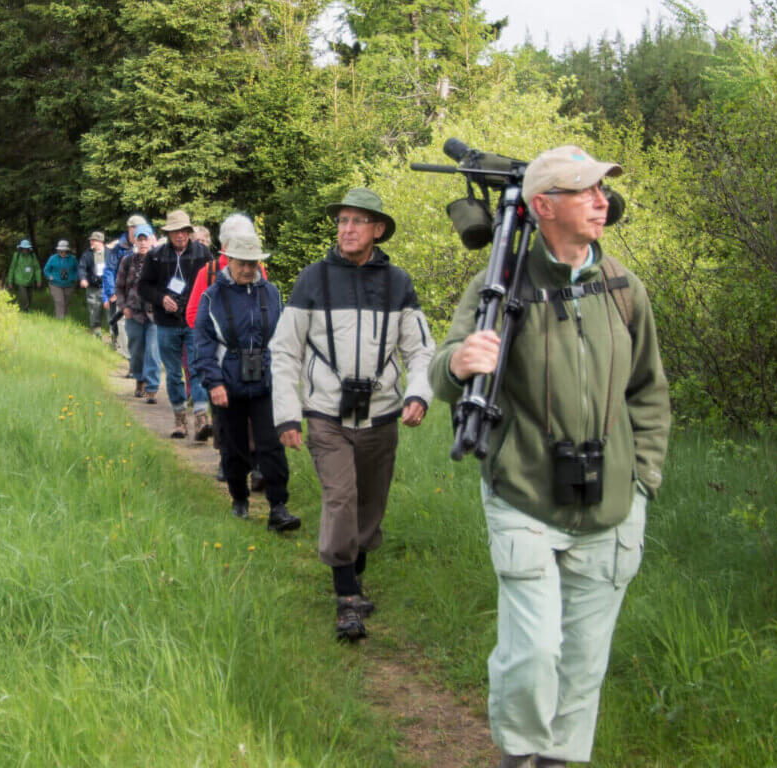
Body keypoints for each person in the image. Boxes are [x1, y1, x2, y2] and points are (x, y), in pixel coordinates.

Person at [427, 145, 671, 768]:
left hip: (612, 505)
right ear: (543, 207)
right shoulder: (499, 287)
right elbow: (441, 370)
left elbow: (648, 389)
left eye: (602, 189)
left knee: (583, 663)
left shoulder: (623, 286)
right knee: (534, 654)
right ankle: (518, 755)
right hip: (524, 496)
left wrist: (644, 479)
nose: (601, 200)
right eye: (585, 189)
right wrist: (458, 363)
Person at [269, 187, 435, 641]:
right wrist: (287, 415)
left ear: (378, 230)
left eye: (357, 221)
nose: (347, 229)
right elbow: (284, 351)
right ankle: (346, 599)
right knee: (340, 498)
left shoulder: (398, 283)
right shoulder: (312, 279)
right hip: (326, 414)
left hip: (382, 416)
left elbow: (420, 350)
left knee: (369, 507)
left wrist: (419, 393)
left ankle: (353, 574)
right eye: (342, 220)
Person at [194, 233, 300, 532]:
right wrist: (213, 383)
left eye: (254, 263)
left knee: (272, 445)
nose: (248, 269)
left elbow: (283, 338)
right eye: (243, 263)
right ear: (229, 261)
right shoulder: (211, 297)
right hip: (227, 385)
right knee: (234, 448)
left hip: (266, 382)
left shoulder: (272, 293)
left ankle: (279, 507)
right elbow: (202, 344)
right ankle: (239, 499)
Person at [186, 213, 268, 487]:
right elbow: (193, 313)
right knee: (224, 407)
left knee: (253, 406)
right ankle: (230, 461)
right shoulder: (208, 272)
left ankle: (255, 466)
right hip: (221, 354)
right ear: (226, 244)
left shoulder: (258, 270)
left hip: (252, 352)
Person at [139, 209, 212, 441]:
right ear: (168, 234)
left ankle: (201, 418)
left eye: (184, 231)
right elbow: (143, 287)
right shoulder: (156, 256)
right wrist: (161, 299)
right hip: (166, 323)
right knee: (173, 373)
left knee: (198, 367)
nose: (180, 235)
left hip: (195, 321)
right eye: (175, 232)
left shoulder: (203, 254)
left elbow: (213, 284)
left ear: (189, 232)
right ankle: (180, 419)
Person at [115, 223, 161, 403]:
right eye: (140, 239)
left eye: (146, 239)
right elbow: (119, 287)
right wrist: (123, 307)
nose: (143, 243)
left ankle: (152, 388)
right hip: (132, 313)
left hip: (154, 314)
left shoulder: (159, 261)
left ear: (152, 240)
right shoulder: (127, 261)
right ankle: (139, 380)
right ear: (135, 241)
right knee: (136, 352)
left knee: (153, 351)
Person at [107, 215, 147, 359]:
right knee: (123, 321)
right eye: (135, 227)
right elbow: (110, 270)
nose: (138, 230)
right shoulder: (119, 248)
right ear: (130, 228)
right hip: (122, 291)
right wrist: (111, 291)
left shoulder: (149, 245)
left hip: (144, 293)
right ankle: (128, 355)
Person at [79, 231, 110, 337]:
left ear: (100, 241)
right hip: (93, 287)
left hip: (108, 287)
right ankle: (96, 331)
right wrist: (83, 279)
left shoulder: (110, 253)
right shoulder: (87, 254)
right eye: (91, 240)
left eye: (93, 240)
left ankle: (113, 333)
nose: (91, 242)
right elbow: (82, 268)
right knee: (94, 309)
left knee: (111, 310)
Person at [43, 240, 79, 319]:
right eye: (60, 251)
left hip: (69, 284)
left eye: (64, 251)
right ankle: (59, 319)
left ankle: (64, 317)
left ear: (67, 250)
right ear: (58, 250)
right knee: (59, 301)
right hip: (55, 284)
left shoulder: (72, 259)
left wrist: (75, 278)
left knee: (66, 302)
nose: (62, 253)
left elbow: (78, 270)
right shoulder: (53, 258)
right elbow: (46, 270)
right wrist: (50, 276)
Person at [6, 239, 42, 311]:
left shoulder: (32, 256)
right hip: (20, 281)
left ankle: (24, 309)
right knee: (24, 297)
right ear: (21, 248)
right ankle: (24, 311)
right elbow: (12, 269)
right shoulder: (16, 256)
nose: (25, 250)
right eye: (23, 248)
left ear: (29, 248)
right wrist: (10, 281)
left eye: (26, 248)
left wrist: (39, 280)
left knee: (29, 298)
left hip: (30, 280)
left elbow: (37, 269)